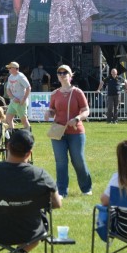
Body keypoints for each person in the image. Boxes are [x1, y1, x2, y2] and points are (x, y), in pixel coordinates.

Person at [44, 65, 92, 197]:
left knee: (78, 160)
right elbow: (53, 110)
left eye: (65, 72)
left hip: (76, 132)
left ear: (71, 76)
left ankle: (86, 188)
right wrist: (49, 112)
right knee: (60, 162)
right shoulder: (55, 94)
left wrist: (77, 118)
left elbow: (86, 110)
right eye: (59, 73)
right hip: (58, 131)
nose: (62, 74)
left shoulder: (77, 92)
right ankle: (62, 191)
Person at [4, 61, 31, 129]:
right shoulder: (10, 76)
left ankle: (29, 136)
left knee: (24, 120)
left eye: (10, 68)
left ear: (15, 68)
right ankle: (12, 135)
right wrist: (13, 98)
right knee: (8, 119)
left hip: (20, 102)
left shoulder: (20, 76)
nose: (8, 69)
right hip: (13, 101)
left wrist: (23, 99)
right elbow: (8, 89)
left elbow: (28, 87)